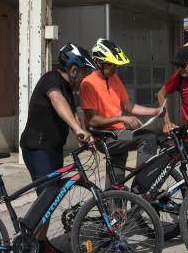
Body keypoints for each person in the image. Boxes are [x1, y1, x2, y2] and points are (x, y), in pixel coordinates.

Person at [19, 43, 95, 253]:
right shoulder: (51, 79)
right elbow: (56, 99)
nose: (84, 77)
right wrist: (77, 129)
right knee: (47, 195)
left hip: (52, 149)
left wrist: (79, 131)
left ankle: (40, 243)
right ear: (72, 69)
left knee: (49, 197)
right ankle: (28, 241)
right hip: (37, 148)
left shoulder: (68, 89)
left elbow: (70, 111)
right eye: (83, 72)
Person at [79, 38, 159, 187]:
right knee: (148, 138)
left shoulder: (114, 78)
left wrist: (154, 111)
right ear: (97, 62)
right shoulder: (88, 84)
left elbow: (128, 105)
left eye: (116, 64)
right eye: (110, 64)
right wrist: (122, 118)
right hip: (105, 137)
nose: (115, 68)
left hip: (118, 134)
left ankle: (114, 209)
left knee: (116, 181)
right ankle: (141, 188)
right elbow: (93, 121)